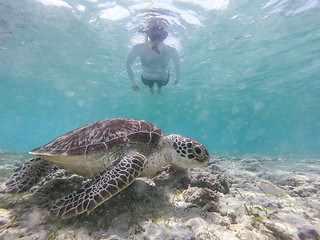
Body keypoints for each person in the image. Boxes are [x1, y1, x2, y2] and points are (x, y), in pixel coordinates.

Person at [126, 18, 180, 94]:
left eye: (160, 32)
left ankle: (158, 88)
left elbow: (128, 65)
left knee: (159, 86)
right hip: (151, 78)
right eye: (154, 31)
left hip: (157, 78)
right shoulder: (138, 48)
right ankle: (153, 88)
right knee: (151, 86)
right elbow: (128, 65)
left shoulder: (171, 51)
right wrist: (133, 83)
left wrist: (133, 83)